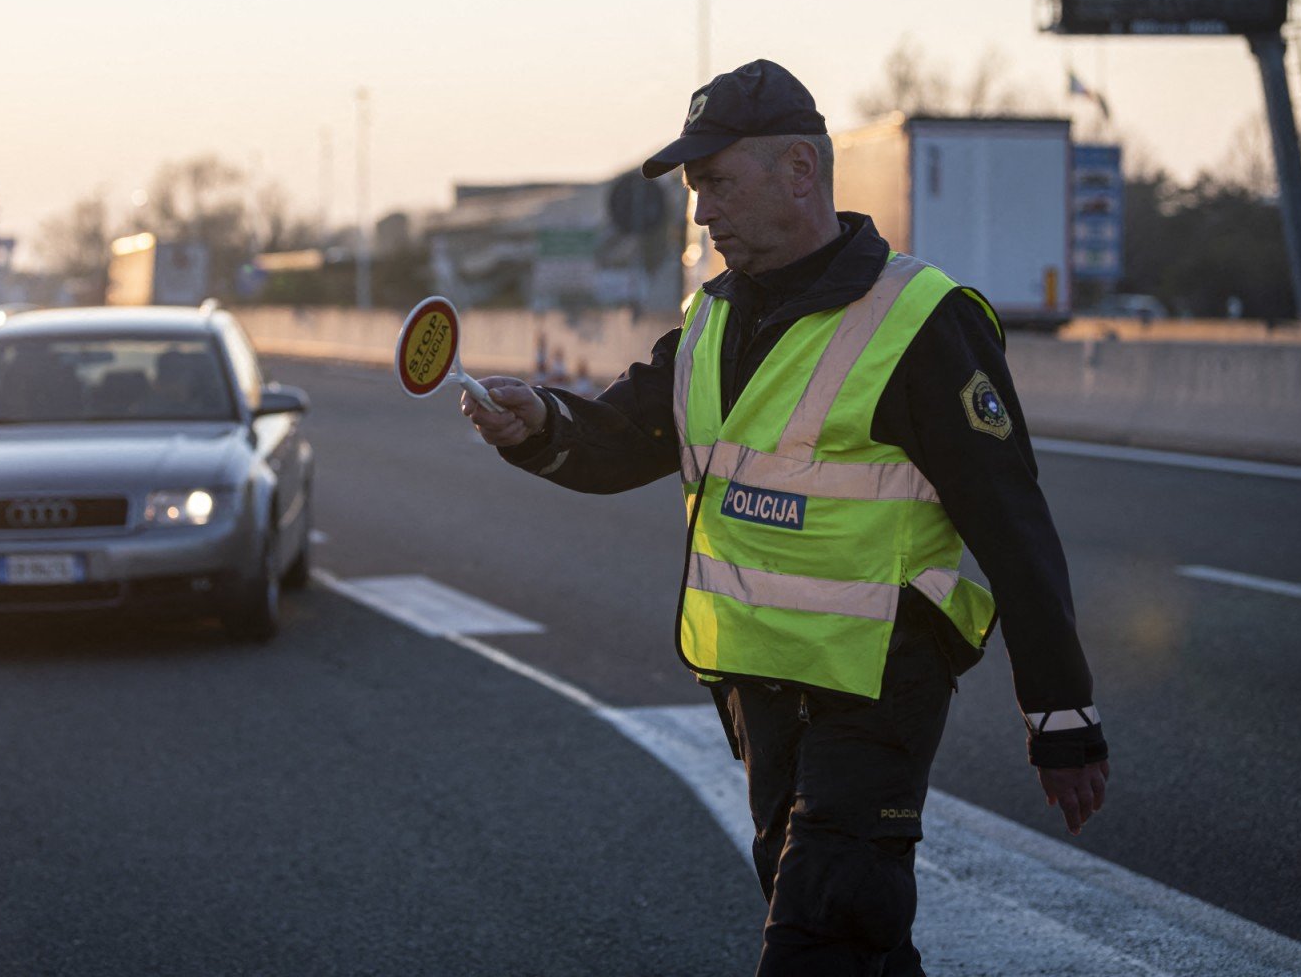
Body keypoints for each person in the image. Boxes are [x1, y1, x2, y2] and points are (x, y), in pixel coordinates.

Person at [461, 59, 1109, 976]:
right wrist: (541, 423)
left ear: (799, 171)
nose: (701, 213)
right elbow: (625, 436)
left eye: (716, 183)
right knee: (849, 935)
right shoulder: (713, 318)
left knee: (821, 932)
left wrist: (1062, 715)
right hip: (759, 686)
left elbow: (1014, 525)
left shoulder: (921, 321)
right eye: (695, 190)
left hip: (878, 684)